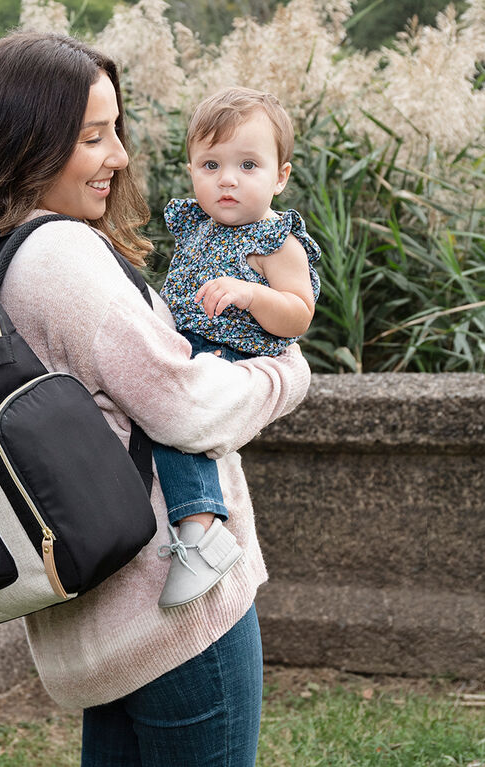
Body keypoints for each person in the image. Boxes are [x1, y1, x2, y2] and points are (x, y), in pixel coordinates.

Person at [0, 31, 311, 767]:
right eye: (92, 137)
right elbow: (184, 407)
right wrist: (286, 371)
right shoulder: (62, 257)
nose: (120, 156)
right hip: (171, 616)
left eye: (115, 131)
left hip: (104, 620)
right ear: (28, 142)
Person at [153, 87, 321, 609]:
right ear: (192, 170)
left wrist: (252, 294)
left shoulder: (275, 240)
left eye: (248, 164)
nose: (227, 179)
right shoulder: (195, 225)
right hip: (188, 342)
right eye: (211, 164)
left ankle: (202, 530)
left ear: (280, 176)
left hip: (233, 353)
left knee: (179, 424)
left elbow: (299, 312)